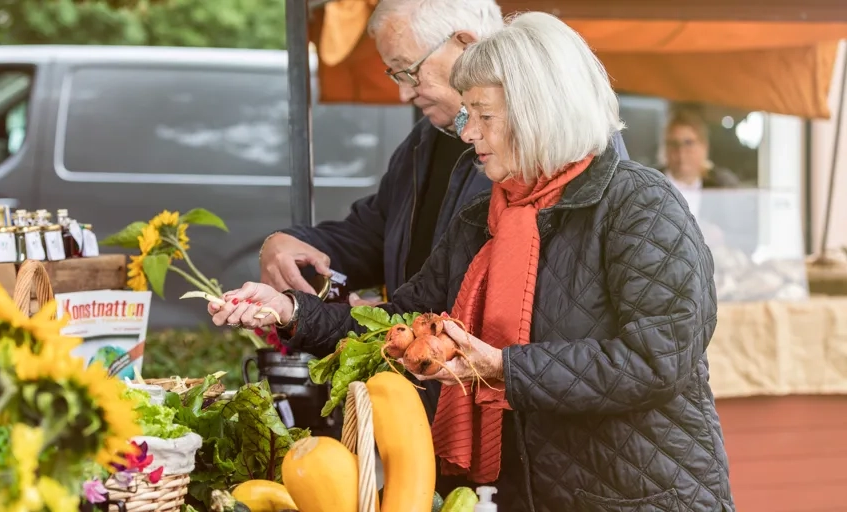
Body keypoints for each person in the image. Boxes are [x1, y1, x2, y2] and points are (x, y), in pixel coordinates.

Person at [210, 11, 734, 512]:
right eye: (466, 114)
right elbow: (403, 321)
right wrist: (291, 310)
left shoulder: (638, 204)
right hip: (525, 494)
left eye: (484, 116)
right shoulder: (481, 218)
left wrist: (504, 368)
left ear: (539, 113)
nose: (466, 133)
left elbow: (657, 360)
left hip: (642, 493)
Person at [260, 0, 628, 425]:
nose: (402, 92)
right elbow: (384, 250)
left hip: (523, 414)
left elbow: (600, 330)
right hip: (434, 399)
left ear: (464, 43)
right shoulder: (423, 145)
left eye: (407, 70)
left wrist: (500, 367)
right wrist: (293, 250)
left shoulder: (587, 165)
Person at [663, 108, 741, 213]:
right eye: (674, 144)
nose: (681, 151)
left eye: (688, 143)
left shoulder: (721, 187)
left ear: (704, 147)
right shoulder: (649, 186)